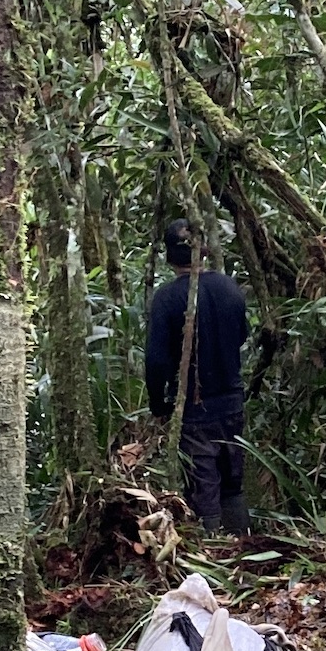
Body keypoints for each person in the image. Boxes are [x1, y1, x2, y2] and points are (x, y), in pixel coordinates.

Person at [145, 218, 252, 535]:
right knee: (232, 483)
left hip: (195, 407)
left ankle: (213, 555)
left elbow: (156, 359)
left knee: (203, 486)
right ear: (203, 250)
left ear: (168, 256)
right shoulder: (229, 288)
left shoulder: (168, 298)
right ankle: (242, 552)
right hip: (232, 401)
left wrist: (159, 404)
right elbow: (242, 336)